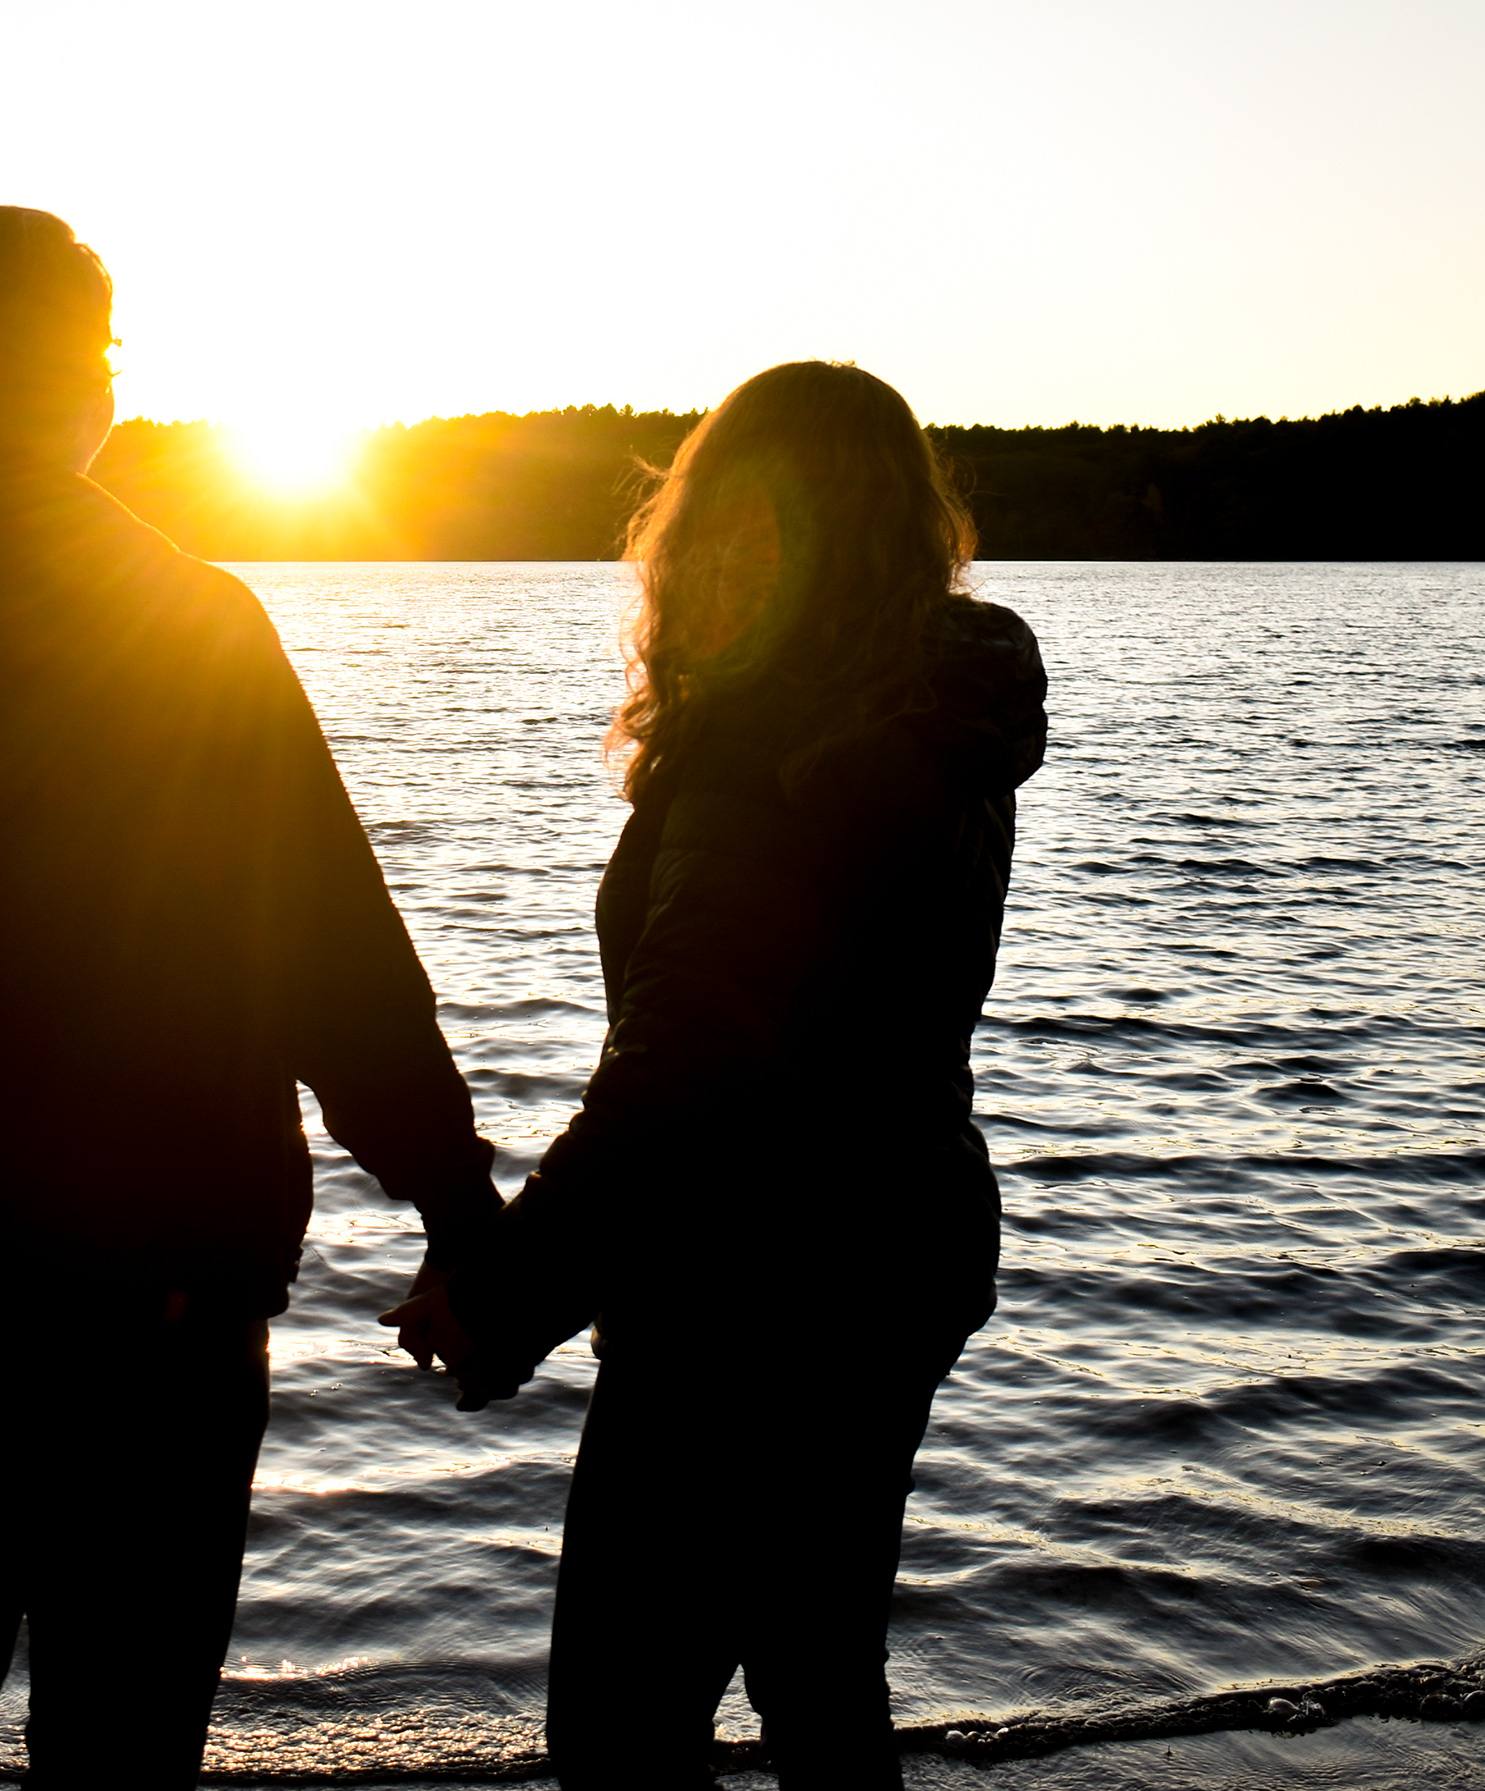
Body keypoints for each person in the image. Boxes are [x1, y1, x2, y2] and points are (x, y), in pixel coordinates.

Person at [0, 206, 500, 1791]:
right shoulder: (181, 617)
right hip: (155, 1301)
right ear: (83, 386)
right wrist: (460, 1211)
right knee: (120, 1743)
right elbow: (328, 952)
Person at [416, 360, 1045, 1791]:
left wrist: (505, 1295)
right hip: (902, 1248)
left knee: (622, 1729)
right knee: (820, 1673)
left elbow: (684, 1073)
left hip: (749, 1290)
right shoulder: (940, 720)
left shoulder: (773, 752)